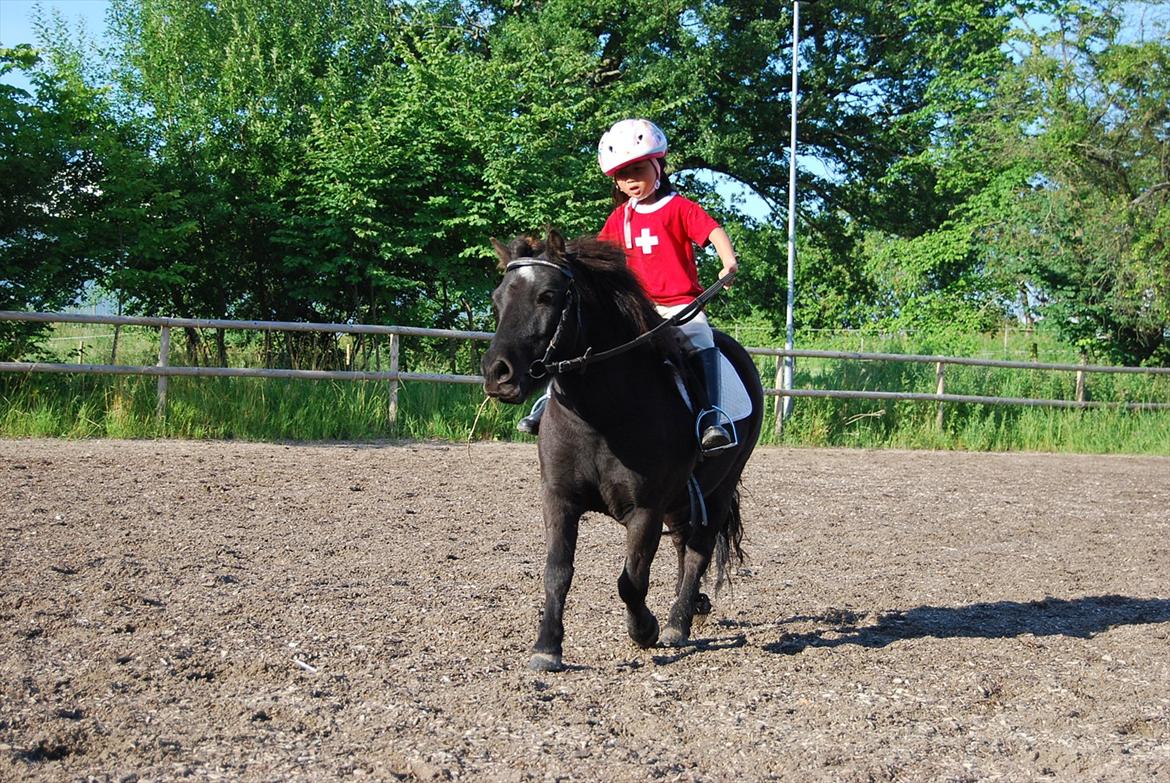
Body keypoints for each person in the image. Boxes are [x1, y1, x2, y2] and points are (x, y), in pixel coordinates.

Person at [518, 118, 739, 453]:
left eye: (638, 169)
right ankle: (548, 405)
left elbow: (713, 231)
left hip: (678, 305)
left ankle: (711, 417)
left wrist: (728, 261)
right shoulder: (619, 218)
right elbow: (600, 257)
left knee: (701, 338)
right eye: (623, 175)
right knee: (577, 339)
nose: (631, 180)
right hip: (634, 306)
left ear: (658, 166)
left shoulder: (679, 208)